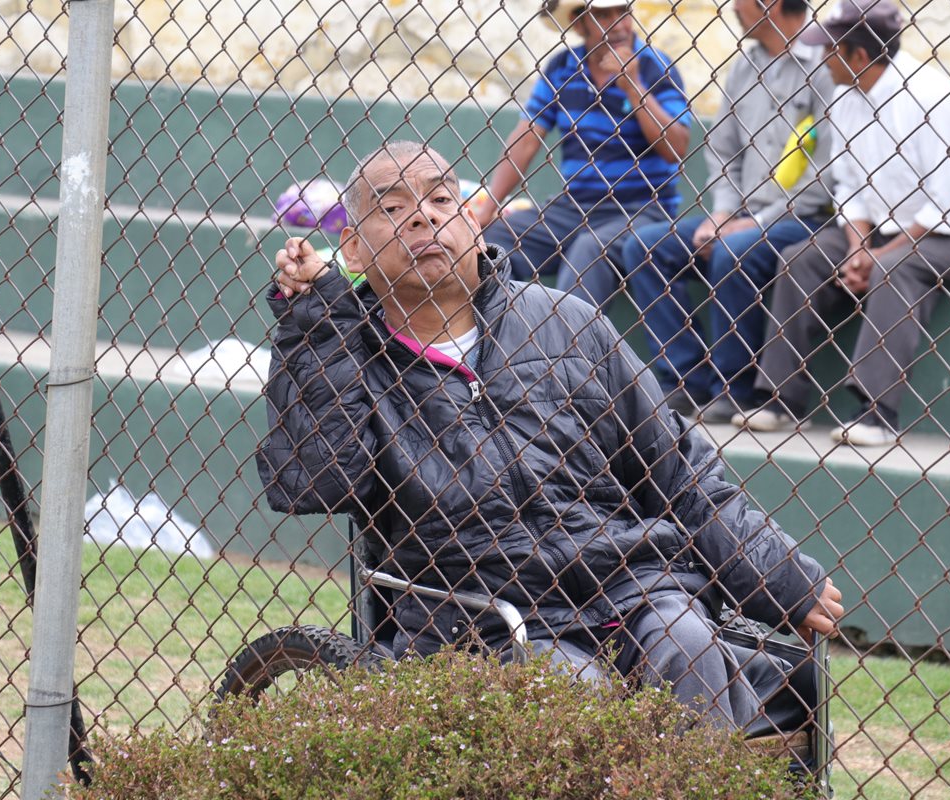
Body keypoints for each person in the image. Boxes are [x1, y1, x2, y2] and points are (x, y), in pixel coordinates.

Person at [258, 140, 843, 730]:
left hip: (632, 586)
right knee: (574, 691)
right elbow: (317, 481)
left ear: (475, 220)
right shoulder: (344, 352)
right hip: (482, 616)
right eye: (393, 207)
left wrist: (779, 578)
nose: (424, 216)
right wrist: (317, 324)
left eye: (441, 198)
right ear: (353, 246)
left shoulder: (570, 321)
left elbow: (683, 475)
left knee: (687, 643)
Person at [732, 0, 950, 446]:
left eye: (829, 50)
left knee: (893, 269)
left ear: (858, 56)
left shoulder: (932, 98)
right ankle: (782, 400)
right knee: (800, 259)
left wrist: (876, 256)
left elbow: (949, 205)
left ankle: (878, 412)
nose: (821, 59)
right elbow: (849, 186)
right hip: (881, 228)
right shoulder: (845, 96)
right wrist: (859, 248)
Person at [609, 0, 834, 422]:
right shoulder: (745, 67)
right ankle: (683, 380)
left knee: (736, 251)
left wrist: (754, 223)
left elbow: (827, 171)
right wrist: (725, 213)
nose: (732, 7)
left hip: (807, 216)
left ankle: (736, 387)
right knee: (646, 247)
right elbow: (723, 150)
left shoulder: (827, 65)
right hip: (743, 213)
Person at [477, 0, 691, 289]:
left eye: (624, 12)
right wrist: (487, 209)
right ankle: (504, 329)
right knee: (490, 242)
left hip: (642, 209)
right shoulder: (563, 67)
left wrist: (633, 84)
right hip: (574, 207)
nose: (619, 24)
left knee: (589, 250)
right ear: (579, 24)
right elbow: (527, 139)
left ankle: (566, 336)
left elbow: (675, 148)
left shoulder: (656, 67)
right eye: (603, 15)